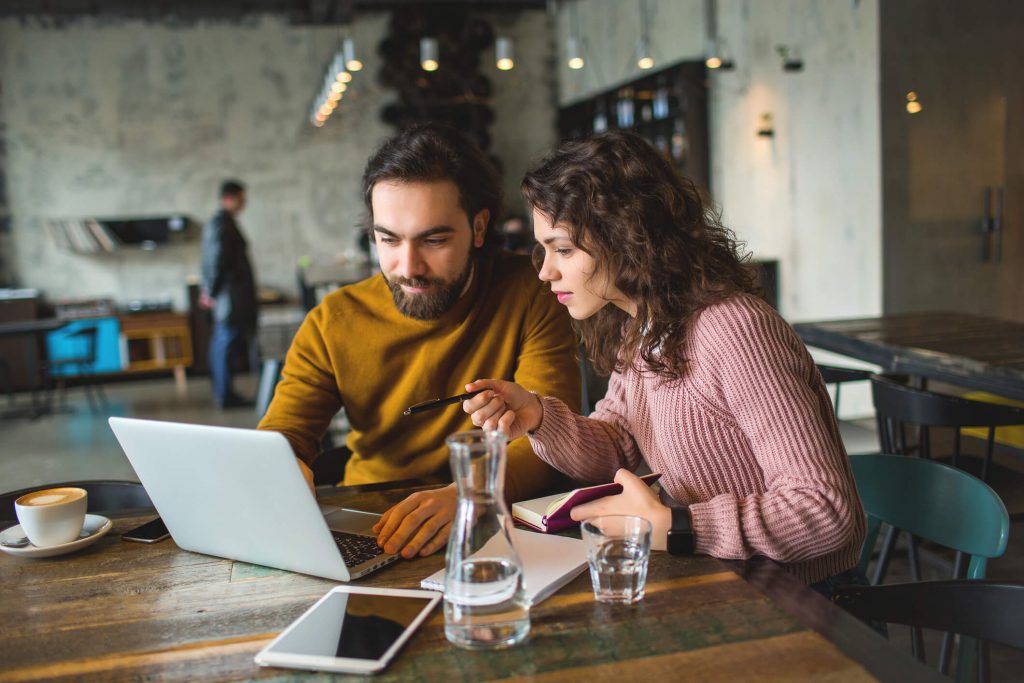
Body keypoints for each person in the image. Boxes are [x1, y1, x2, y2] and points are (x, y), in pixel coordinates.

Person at [464, 131, 866, 592]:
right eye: (544, 249)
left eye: (564, 249)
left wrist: (676, 525)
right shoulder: (642, 327)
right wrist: (537, 416)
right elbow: (614, 448)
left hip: (804, 600)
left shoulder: (733, 329)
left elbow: (824, 510)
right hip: (720, 581)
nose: (545, 270)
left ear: (627, 236)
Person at [258, 123, 580, 560]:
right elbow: (284, 434)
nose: (409, 266)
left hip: (494, 521)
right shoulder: (333, 320)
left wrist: (468, 495)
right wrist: (281, 470)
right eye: (388, 239)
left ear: (479, 227)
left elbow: (554, 441)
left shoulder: (532, 292)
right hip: (374, 521)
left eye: (434, 240)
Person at [200, 179, 259, 409]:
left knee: (223, 344)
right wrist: (211, 292)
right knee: (224, 345)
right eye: (241, 199)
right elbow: (216, 262)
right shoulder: (221, 225)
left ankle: (224, 392)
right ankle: (224, 395)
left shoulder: (221, 223)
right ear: (228, 198)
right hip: (229, 299)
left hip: (226, 297)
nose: (244, 204)